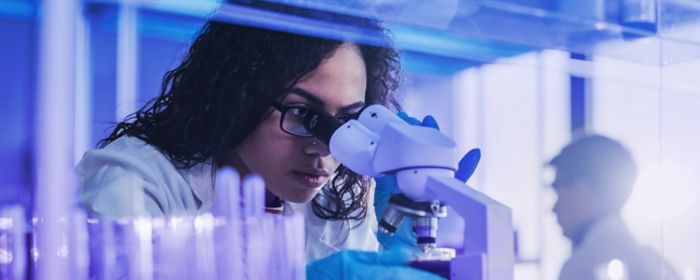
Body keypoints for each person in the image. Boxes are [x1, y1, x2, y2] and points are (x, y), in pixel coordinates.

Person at [76, 1, 455, 278]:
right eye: (305, 115)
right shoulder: (136, 179)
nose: (324, 147)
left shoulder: (337, 204)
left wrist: (398, 239)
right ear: (238, 95)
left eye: (348, 120)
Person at [549, 134, 680, 280]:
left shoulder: (582, 267)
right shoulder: (656, 263)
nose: (553, 208)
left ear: (581, 191)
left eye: (557, 192)